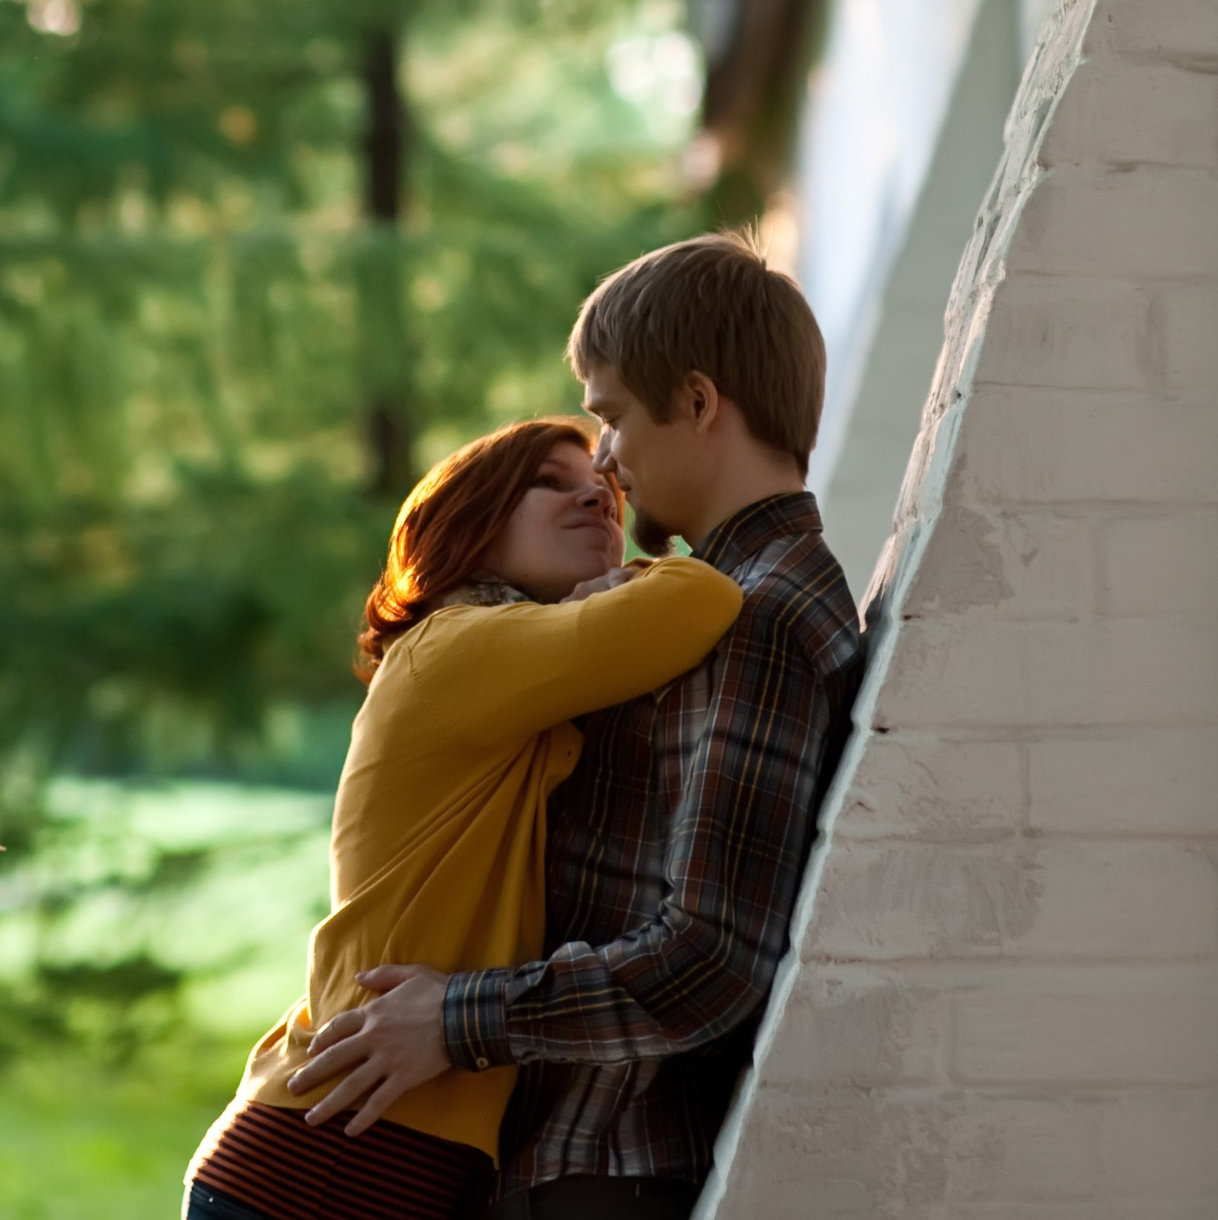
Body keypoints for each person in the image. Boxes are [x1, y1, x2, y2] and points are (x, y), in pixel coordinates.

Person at [289, 233, 865, 1220]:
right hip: (574, 1155)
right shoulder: (706, 603)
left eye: (612, 416)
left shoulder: (754, 615)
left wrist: (456, 1018)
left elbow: (708, 956)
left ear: (698, 402)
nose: (604, 458)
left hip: (603, 1162)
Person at [183, 416, 746, 1220]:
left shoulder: (514, 681)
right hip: (330, 1166)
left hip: (373, 1157)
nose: (597, 495)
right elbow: (702, 596)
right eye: (550, 482)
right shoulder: (455, 648)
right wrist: (631, 580)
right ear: (469, 525)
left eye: (607, 491)